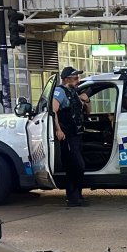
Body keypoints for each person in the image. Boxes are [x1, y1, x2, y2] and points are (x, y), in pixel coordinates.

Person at [52, 66, 90, 206]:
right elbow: (53, 110)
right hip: (67, 135)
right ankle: (72, 197)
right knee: (75, 165)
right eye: (75, 78)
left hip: (77, 134)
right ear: (67, 79)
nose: (78, 81)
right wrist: (59, 129)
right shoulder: (60, 92)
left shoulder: (73, 93)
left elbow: (88, 112)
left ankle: (77, 196)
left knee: (78, 166)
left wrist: (86, 100)